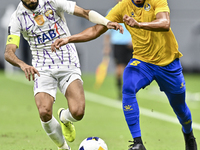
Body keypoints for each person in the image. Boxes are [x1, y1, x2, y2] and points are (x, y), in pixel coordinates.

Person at [51, 0, 198, 150]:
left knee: (180, 108)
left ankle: (188, 135)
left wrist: (139, 24)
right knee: (127, 85)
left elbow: (165, 23)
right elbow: (96, 30)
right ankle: (138, 143)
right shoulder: (122, 7)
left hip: (168, 64)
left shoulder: (156, 0)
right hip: (143, 62)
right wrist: (69, 39)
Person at [4, 0, 123, 150]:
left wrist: (106, 22)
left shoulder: (52, 2)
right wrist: (22, 64)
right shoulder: (17, 17)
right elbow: (9, 52)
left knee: (78, 112)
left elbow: (86, 13)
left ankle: (64, 118)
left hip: (67, 61)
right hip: (42, 67)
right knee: (44, 112)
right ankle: (63, 147)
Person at [103, 0, 133, 100]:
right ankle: (121, 93)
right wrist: (106, 46)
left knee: (130, 69)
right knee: (120, 69)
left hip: (130, 45)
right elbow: (107, 32)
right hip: (118, 44)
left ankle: (128, 92)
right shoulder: (111, 12)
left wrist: (134, 40)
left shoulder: (133, 11)